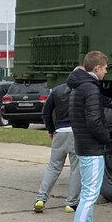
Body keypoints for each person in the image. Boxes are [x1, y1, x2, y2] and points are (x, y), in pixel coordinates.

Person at [64, 50, 112, 222]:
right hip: (92, 147)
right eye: (105, 68)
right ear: (97, 68)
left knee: (89, 193)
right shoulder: (89, 88)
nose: (106, 72)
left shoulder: (78, 87)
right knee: (89, 195)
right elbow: (94, 120)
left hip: (83, 145)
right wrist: (108, 139)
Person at [34, 75, 81, 213]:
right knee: (75, 169)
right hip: (76, 132)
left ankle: (41, 199)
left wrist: (51, 129)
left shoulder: (56, 90)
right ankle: (71, 203)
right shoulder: (83, 91)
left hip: (60, 131)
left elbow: (46, 112)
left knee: (53, 167)